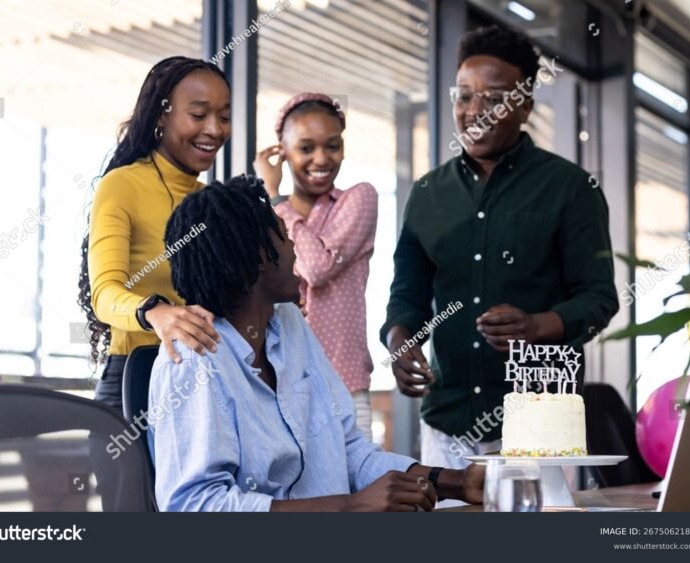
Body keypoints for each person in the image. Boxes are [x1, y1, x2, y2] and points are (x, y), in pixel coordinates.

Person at [148, 175, 485, 511]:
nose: (294, 245)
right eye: (284, 234)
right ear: (261, 257)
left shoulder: (290, 324)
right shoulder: (192, 360)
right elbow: (193, 505)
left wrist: (455, 482)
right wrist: (350, 509)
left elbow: (349, 448)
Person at [381, 26, 619, 475]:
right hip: (447, 423)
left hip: (541, 418)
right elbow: (407, 296)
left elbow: (599, 298)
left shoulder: (571, 189)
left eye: (493, 99)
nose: (475, 112)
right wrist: (400, 342)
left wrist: (536, 325)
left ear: (525, 104)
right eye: (464, 96)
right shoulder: (428, 192)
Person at [78, 56, 228, 414]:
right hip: (135, 384)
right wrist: (155, 312)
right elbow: (105, 294)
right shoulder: (123, 185)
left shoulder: (212, 202)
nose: (214, 129)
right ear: (163, 115)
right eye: (198, 114)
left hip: (200, 385)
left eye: (224, 117)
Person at [253, 93, 377, 438]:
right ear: (282, 151)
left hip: (345, 384)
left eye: (332, 146)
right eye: (306, 148)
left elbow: (315, 268)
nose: (321, 159)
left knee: (361, 488)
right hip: (280, 385)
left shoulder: (360, 199)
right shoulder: (262, 216)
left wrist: (275, 197)